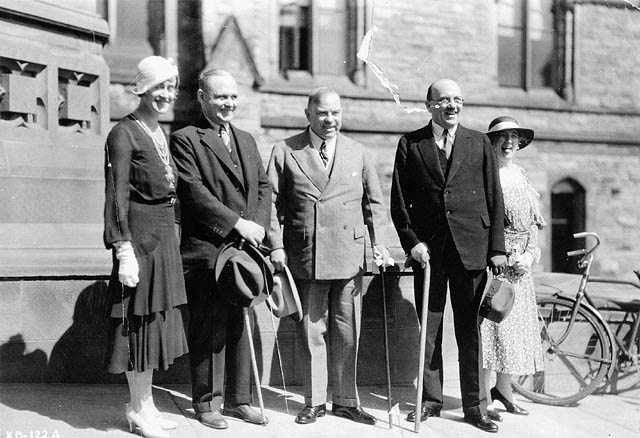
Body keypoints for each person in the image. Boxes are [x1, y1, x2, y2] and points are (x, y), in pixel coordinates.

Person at [267, 87, 391, 426]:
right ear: (308, 114)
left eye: (335, 112)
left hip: (350, 257)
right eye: (322, 113)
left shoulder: (358, 152)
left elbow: (375, 205)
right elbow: (271, 205)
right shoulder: (286, 150)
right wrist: (275, 246)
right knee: (312, 330)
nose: (330, 119)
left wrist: (380, 244)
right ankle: (315, 401)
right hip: (307, 255)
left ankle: (347, 400)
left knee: (347, 330)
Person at [390, 78, 507, 433]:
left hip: (472, 251)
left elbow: (494, 196)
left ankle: (475, 405)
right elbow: (398, 203)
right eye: (444, 100)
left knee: (470, 331)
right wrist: (412, 242)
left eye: (457, 99)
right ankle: (429, 400)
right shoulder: (411, 144)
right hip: (430, 254)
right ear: (429, 106)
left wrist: (497, 249)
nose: (452, 106)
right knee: (431, 331)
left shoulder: (479, 143)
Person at [169, 69, 271, 430]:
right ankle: (207, 402)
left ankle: (238, 400)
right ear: (201, 98)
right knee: (209, 327)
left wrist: (255, 228)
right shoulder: (185, 139)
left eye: (232, 97)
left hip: (244, 249)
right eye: (219, 97)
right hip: (208, 252)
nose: (228, 104)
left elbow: (262, 186)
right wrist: (235, 224)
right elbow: (194, 192)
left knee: (240, 324)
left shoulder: (245, 139)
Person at [103, 56, 187, 438]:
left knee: (153, 327)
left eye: (171, 87)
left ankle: (148, 405)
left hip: (162, 239)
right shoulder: (124, 133)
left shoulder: (158, 131)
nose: (166, 95)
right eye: (159, 88)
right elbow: (117, 196)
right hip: (139, 242)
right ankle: (136, 409)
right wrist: (122, 250)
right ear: (142, 89)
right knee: (136, 326)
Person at [481, 116, 545, 420]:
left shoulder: (521, 174)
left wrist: (530, 255)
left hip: (521, 267)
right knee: (491, 328)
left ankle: (504, 391)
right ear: (492, 142)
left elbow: (533, 221)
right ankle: (483, 395)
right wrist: (501, 253)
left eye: (514, 138)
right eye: (502, 138)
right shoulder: (487, 174)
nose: (509, 143)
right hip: (496, 263)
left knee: (513, 332)